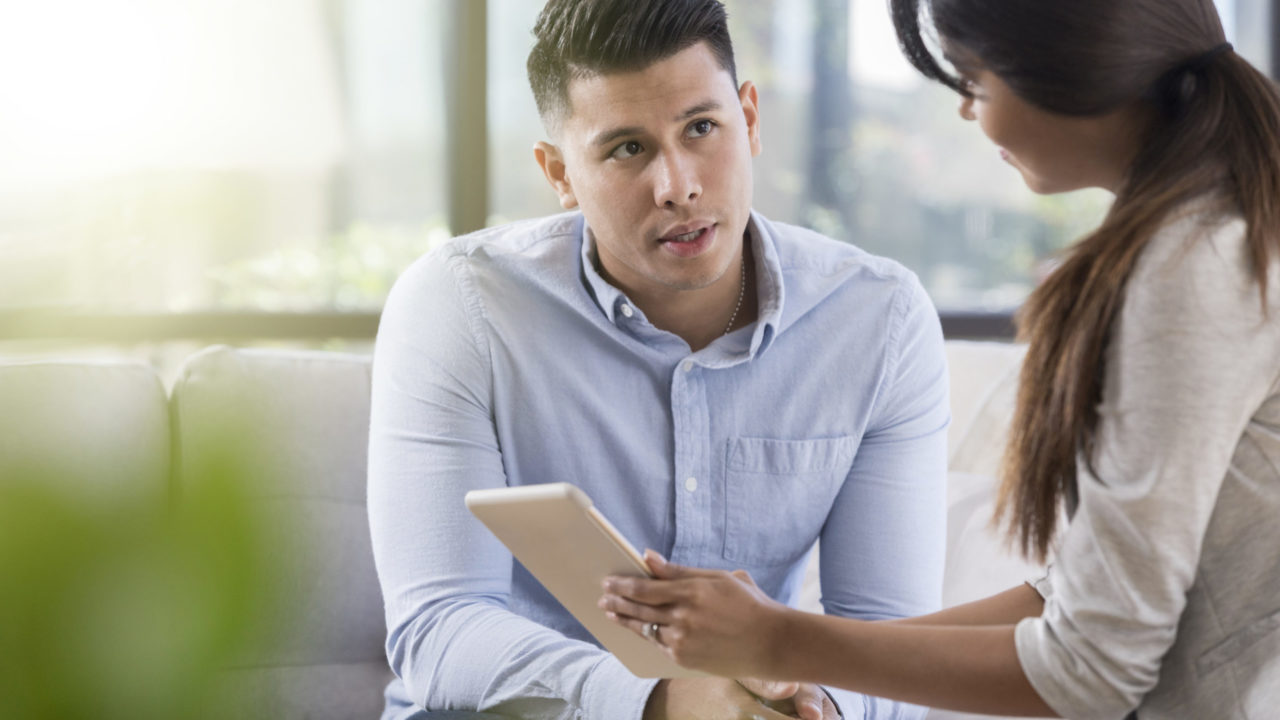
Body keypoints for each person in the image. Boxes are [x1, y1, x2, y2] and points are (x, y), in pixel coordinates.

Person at [600, 0, 1280, 718]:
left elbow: (1088, 670)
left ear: (1062, 70)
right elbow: (1082, 594)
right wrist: (800, 655)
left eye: (975, 84)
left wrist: (778, 641)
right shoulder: (1220, 231)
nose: (966, 113)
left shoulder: (1191, 269)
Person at [367, 0, 952, 718]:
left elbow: (888, 640)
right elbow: (439, 629)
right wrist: (660, 702)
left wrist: (817, 705)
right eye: (626, 149)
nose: (677, 185)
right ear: (559, 173)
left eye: (701, 129)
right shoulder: (463, 305)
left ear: (751, 119)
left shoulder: (878, 322)